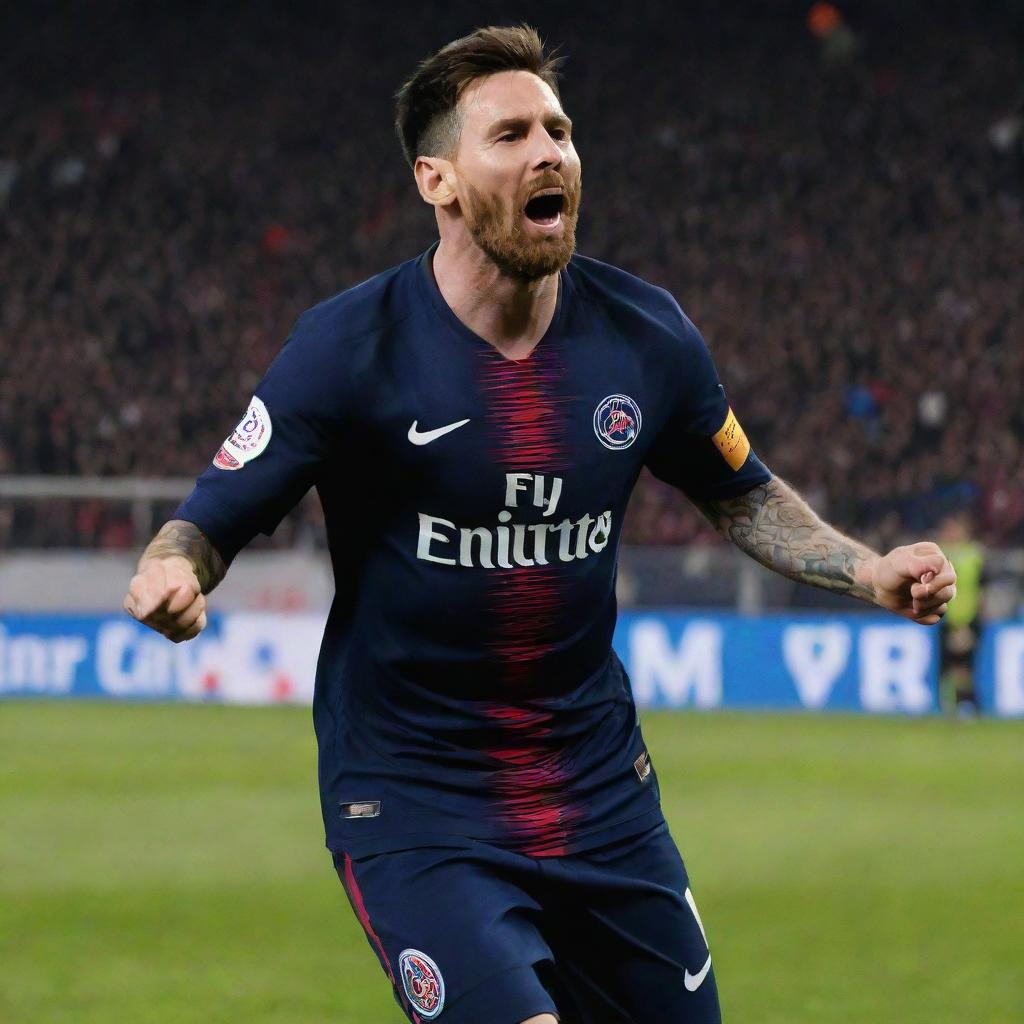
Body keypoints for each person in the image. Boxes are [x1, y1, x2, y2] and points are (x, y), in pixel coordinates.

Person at [122, 25, 957, 1024]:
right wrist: (173, 571)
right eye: (510, 134)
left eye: (557, 129)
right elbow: (208, 519)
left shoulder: (646, 335)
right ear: (438, 179)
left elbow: (742, 492)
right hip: (416, 802)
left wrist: (867, 571)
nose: (549, 151)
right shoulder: (348, 349)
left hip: (600, 796)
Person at [936, 511, 985, 715]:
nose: (949, 532)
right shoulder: (940, 553)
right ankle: (949, 707)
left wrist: (967, 624)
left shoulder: (974, 555)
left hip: (967, 619)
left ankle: (966, 705)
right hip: (945, 618)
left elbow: (981, 589)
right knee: (947, 667)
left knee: (963, 667)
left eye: (953, 528)